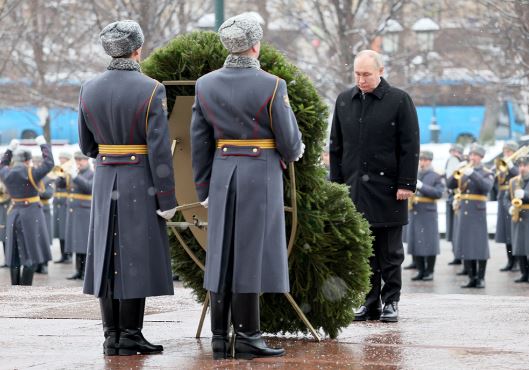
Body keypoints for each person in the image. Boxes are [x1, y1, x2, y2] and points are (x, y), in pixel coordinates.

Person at [191, 13, 303, 359]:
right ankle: (249, 335)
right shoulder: (272, 85)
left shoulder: (205, 84)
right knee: (251, 254)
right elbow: (289, 140)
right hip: (260, 172)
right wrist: (291, 151)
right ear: (256, 45)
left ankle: (220, 337)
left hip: (223, 172)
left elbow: (199, 142)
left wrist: (204, 188)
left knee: (221, 252)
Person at [78, 20, 177, 356]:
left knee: (107, 255)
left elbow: (86, 146)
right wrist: (167, 197)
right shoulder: (151, 89)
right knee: (135, 256)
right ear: (138, 49)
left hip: (106, 176)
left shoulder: (88, 88)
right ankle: (131, 333)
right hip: (140, 178)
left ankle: (112, 335)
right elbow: (160, 150)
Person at [330, 49, 419, 322]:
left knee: (390, 252)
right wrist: (336, 185)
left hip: (390, 189)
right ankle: (369, 303)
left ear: (380, 71)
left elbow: (410, 145)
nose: (361, 79)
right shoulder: (345, 100)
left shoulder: (399, 100)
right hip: (355, 189)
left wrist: (406, 183)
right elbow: (336, 146)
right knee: (364, 251)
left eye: (366, 74)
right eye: (357, 73)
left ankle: (391, 301)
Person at [0, 137, 54, 285]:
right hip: (31, 214)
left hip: (14, 213)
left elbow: (2, 163)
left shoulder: (7, 172)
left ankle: (15, 286)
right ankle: (25, 288)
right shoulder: (32, 172)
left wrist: (9, 150)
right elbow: (50, 163)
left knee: (15, 253)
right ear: (28, 161)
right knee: (31, 253)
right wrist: (43, 144)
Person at [447, 144, 494, 288]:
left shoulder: (486, 172)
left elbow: (487, 187)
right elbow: (450, 184)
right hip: (464, 211)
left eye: (475, 155)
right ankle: (472, 277)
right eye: (471, 155)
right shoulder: (464, 169)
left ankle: (481, 278)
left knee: (479, 245)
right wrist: (457, 170)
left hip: (477, 212)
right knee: (466, 244)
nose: (472, 158)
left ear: (481, 157)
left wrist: (472, 173)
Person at [408, 150, 445, 281]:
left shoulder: (436, 176)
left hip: (428, 212)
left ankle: (429, 271)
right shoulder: (415, 173)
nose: (422, 162)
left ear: (430, 161)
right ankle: (420, 270)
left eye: (425, 160)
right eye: (421, 159)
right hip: (415, 210)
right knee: (416, 242)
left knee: (429, 243)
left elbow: (439, 193)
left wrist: (422, 186)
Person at [508, 155, 529, 283]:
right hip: (518, 215)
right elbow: (506, 198)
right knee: (519, 246)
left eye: (525, 165)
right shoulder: (513, 181)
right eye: (520, 166)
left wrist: (525, 194)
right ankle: (523, 273)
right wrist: (509, 207)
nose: (522, 168)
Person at [63, 151, 93, 280]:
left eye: (81, 160)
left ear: (87, 161)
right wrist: (62, 176)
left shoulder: (92, 173)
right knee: (76, 243)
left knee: (84, 244)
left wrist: (75, 177)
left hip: (84, 212)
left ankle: (86, 272)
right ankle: (78, 271)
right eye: (77, 160)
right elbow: (61, 186)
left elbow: (89, 187)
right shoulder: (77, 173)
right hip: (75, 212)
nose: (79, 162)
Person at [495, 141, 519, 271]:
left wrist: (510, 166)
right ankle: (510, 261)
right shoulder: (502, 164)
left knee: (514, 231)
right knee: (506, 233)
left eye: (509, 151)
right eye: (505, 152)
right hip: (502, 197)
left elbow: (519, 175)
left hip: (512, 197)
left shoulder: (518, 163)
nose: (506, 154)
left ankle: (517, 262)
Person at [32, 155, 54, 275]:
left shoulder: (48, 178)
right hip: (33, 211)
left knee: (44, 239)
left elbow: (49, 194)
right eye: (34, 163)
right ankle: (37, 263)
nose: (36, 165)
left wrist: (37, 191)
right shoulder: (30, 177)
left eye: (38, 163)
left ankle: (44, 264)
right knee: (35, 239)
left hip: (44, 210)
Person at [445, 143, 464, 265]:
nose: (453, 154)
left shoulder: (464, 164)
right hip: (451, 196)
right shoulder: (449, 162)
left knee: (459, 227)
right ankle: (456, 255)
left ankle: (462, 255)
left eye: (456, 152)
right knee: (452, 228)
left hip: (460, 197)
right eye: (452, 151)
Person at [53, 151, 73, 264]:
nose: (61, 160)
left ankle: (68, 255)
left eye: (63, 158)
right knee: (60, 231)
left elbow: (64, 183)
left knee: (66, 230)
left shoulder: (69, 171)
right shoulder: (59, 169)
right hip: (58, 204)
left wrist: (62, 174)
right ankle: (63, 255)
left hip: (66, 204)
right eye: (60, 158)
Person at [0, 179, 10, 267]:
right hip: (1, 212)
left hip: (8, 212)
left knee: (9, 238)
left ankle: (10, 260)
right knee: (3, 238)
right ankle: (7, 260)